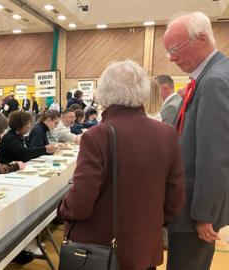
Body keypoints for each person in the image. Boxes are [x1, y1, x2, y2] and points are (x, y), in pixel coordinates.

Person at [58, 60, 185, 270]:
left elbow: (80, 201)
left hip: (101, 250)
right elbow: (175, 198)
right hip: (144, 248)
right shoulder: (167, 134)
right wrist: (149, 223)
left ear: (104, 93)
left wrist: (63, 210)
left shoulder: (97, 136)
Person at [164, 12, 229, 270]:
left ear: (201, 38)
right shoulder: (209, 76)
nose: (171, 57)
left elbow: (215, 156)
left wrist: (204, 215)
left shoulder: (214, 81)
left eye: (175, 48)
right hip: (191, 204)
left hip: (194, 211)